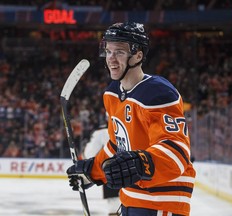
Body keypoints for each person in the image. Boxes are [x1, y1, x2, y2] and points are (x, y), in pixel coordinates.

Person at [67, 22, 196, 216]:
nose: (111, 59)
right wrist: (92, 171)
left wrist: (140, 163)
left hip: (161, 203)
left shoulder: (157, 93)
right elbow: (116, 145)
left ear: (138, 55)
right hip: (129, 199)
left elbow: (176, 152)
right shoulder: (112, 94)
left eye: (119, 52)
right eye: (108, 51)